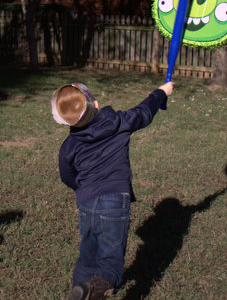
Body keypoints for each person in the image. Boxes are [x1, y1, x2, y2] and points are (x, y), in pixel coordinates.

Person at [51, 81, 174, 300]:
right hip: (115, 202)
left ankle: (79, 290)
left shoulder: (69, 146)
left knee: (88, 255)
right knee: (110, 262)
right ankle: (94, 289)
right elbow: (144, 111)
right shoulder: (118, 122)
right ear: (96, 104)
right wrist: (161, 93)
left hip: (86, 204)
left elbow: (67, 176)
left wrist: (83, 189)